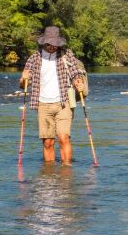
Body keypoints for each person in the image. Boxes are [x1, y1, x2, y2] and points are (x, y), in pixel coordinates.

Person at [19, 26, 87, 165]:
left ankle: (66, 170)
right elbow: (23, 85)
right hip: (43, 104)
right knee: (48, 142)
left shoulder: (66, 55)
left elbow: (75, 74)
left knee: (63, 138)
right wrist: (23, 78)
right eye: (50, 44)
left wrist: (79, 82)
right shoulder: (34, 58)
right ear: (44, 42)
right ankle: (49, 172)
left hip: (64, 102)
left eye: (56, 44)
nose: (53, 47)